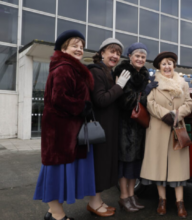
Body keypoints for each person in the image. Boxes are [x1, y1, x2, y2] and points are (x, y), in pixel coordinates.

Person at [33, 30, 95, 220]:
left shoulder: (69, 67)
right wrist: (82, 107)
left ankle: (53, 213)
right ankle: (58, 216)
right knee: (55, 171)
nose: (79, 49)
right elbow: (58, 98)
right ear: (63, 48)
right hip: (60, 131)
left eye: (81, 46)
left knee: (58, 170)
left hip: (65, 130)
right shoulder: (64, 68)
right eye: (74, 45)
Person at [140, 52, 192, 218]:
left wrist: (176, 114)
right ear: (159, 67)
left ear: (174, 66)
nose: (167, 66)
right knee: (159, 166)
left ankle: (180, 202)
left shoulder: (182, 84)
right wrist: (166, 115)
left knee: (178, 167)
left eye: (170, 63)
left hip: (177, 128)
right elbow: (150, 103)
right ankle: (161, 201)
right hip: (158, 127)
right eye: (163, 64)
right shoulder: (153, 83)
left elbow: (189, 103)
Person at [87, 38, 130, 217]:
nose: (115, 56)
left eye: (118, 53)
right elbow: (101, 100)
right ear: (102, 52)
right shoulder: (97, 72)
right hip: (101, 128)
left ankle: (97, 200)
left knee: (105, 165)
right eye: (111, 51)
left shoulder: (108, 72)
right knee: (100, 165)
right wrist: (119, 86)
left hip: (108, 127)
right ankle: (93, 202)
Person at [113, 42, 158, 212]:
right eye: (137, 56)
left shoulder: (145, 73)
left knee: (135, 164)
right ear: (130, 57)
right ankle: (124, 197)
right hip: (125, 126)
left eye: (143, 56)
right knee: (125, 164)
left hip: (139, 127)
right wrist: (146, 91)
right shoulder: (123, 72)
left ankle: (132, 195)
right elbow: (126, 101)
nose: (140, 59)